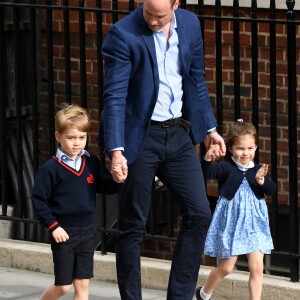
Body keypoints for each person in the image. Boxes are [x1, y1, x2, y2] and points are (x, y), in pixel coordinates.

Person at [99, 0, 226, 299]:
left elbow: (196, 79)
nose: (153, 22)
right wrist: (116, 150)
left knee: (199, 213)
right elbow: (114, 96)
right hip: (139, 138)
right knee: (133, 225)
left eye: (160, 16)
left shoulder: (190, 24)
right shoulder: (123, 34)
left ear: (176, 5)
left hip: (179, 134)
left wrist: (209, 129)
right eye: (148, 14)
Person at [32, 103, 121, 300]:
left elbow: (104, 186)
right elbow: (39, 201)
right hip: (63, 233)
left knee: (82, 285)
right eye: (71, 138)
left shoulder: (91, 162)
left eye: (82, 137)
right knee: (63, 287)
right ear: (58, 137)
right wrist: (54, 227)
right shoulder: (50, 169)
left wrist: (116, 180)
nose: (77, 143)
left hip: (87, 232)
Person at [195, 121, 276, 300]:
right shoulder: (226, 167)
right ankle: (203, 293)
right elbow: (204, 175)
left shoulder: (258, 170)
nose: (245, 153)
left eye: (250, 148)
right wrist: (207, 157)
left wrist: (262, 181)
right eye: (240, 148)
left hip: (254, 224)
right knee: (226, 267)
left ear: (256, 147)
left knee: (257, 268)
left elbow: (272, 190)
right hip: (233, 223)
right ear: (230, 148)